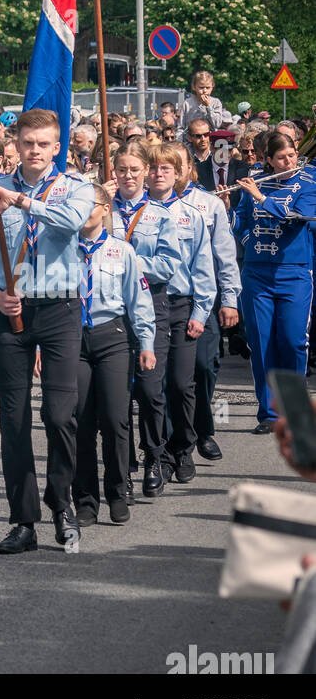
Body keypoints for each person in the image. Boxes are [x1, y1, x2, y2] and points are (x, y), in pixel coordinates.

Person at [0, 108, 96, 553]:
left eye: (43, 144)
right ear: (15, 145)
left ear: (58, 147)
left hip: (59, 310)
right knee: (13, 420)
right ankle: (23, 520)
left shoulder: (75, 187)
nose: (34, 151)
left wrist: (20, 201)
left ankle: (62, 504)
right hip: (12, 313)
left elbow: (71, 222)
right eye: (27, 143)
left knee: (59, 415)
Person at [73, 183, 157, 526]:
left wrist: (147, 342)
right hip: (73, 339)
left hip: (113, 336)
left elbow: (138, 301)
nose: (83, 212)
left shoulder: (122, 251)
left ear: (106, 209)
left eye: (89, 205)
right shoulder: (62, 249)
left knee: (114, 419)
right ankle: (85, 498)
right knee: (79, 421)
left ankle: (118, 491)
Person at [102, 142, 181, 501]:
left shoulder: (160, 214)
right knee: (117, 395)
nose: (129, 176)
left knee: (150, 389)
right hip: (111, 308)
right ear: (114, 172)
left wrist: (127, 261)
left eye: (135, 170)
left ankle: (155, 455)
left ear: (147, 171)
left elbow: (167, 265)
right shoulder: (102, 211)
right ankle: (124, 464)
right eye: (122, 170)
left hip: (151, 304)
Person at [234, 131, 316, 433]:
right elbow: (239, 220)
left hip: (294, 271)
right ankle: (269, 414)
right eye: (282, 157)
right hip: (258, 273)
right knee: (262, 343)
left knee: (293, 341)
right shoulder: (254, 181)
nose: (289, 160)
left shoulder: (309, 181)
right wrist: (250, 241)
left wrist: (261, 198)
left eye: (292, 155)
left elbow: (299, 216)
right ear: (268, 160)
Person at [144, 143, 216, 486]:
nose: (158, 174)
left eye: (166, 169)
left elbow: (203, 267)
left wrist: (201, 311)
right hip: (145, 305)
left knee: (180, 383)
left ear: (178, 175)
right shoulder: (133, 215)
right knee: (151, 386)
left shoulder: (192, 215)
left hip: (181, 305)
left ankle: (183, 448)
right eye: (154, 168)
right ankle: (157, 454)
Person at [175, 149, 242, 465]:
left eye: (179, 165)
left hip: (204, 297)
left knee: (203, 366)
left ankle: (202, 429)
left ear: (191, 168)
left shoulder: (210, 204)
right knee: (169, 377)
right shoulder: (147, 204)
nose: (172, 171)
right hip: (165, 300)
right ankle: (173, 441)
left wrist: (229, 300)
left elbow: (225, 257)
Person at [179, 71, 230, 135]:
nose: (205, 91)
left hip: (209, 139)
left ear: (212, 87)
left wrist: (208, 106)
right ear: (194, 87)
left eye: (208, 88)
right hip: (190, 141)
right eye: (201, 87)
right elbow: (181, 126)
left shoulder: (216, 102)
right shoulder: (187, 103)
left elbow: (217, 124)